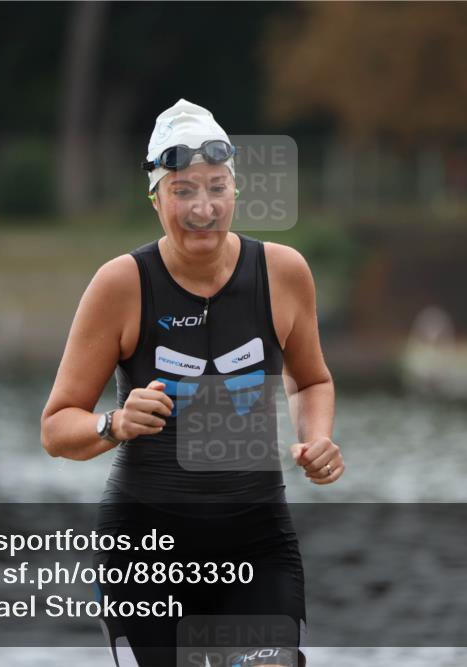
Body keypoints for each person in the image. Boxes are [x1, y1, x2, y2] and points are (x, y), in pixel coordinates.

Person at [41, 99, 344, 667]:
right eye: (182, 190)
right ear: (155, 197)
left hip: (256, 541)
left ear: (236, 190)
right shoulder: (121, 284)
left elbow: (312, 381)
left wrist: (317, 438)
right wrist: (114, 424)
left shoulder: (283, 272)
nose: (202, 207)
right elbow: (57, 427)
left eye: (216, 187)